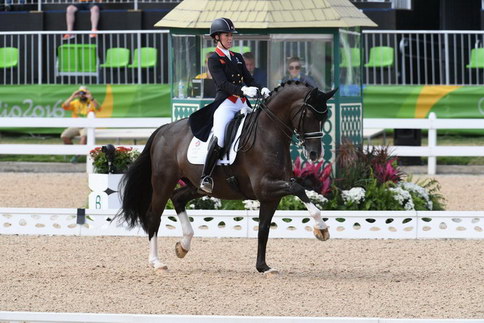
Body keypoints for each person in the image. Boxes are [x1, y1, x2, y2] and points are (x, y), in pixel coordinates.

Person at [188, 17, 271, 194]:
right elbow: (223, 84)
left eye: (231, 35)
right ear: (217, 37)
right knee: (220, 137)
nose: (230, 38)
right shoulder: (214, 59)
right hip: (226, 104)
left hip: (242, 104)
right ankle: (206, 176)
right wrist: (243, 91)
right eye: (227, 35)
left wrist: (261, 88)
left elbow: (249, 79)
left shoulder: (237, 57)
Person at [60, 86, 100, 151]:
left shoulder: (91, 102)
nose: (82, 95)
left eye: (84, 93)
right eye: (80, 93)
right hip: (76, 125)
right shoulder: (75, 102)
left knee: (84, 137)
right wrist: (72, 96)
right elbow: (64, 106)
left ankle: (78, 155)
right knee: (64, 136)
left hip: (87, 126)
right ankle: (74, 152)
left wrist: (91, 98)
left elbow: (98, 108)